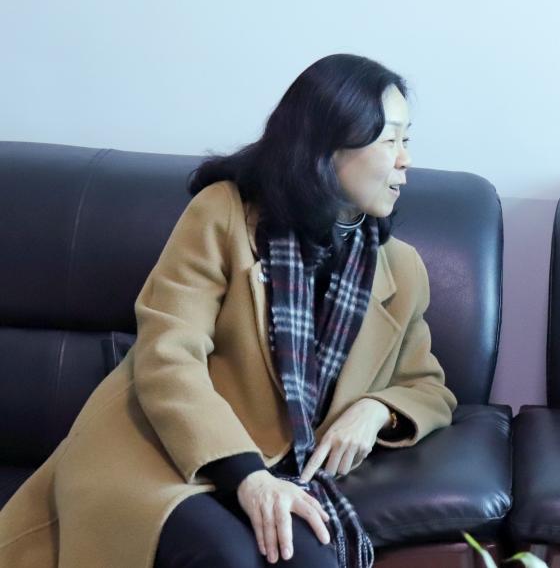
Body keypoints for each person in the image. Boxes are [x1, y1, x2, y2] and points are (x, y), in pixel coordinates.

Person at [0, 54, 457, 568]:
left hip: (282, 470)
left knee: (315, 561)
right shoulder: (223, 214)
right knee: (227, 557)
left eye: (406, 139)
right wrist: (249, 477)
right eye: (390, 140)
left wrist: (375, 411)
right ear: (328, 145)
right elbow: (168, 356)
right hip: (159, 452)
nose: (405, 159)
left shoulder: (401, 269)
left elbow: (427, 386)